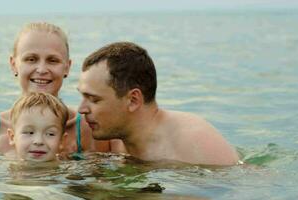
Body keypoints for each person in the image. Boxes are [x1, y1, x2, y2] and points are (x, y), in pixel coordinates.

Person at [0, 22, 125, 156]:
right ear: (14, 64)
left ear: (67, 67)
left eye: (52, 60)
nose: (41, 69)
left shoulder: (87, 128)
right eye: (31, 59)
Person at [77, 41, 240, 165]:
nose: (82, 109)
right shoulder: (115, 140)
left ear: (133, 100)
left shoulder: (193, 143)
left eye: (94, 99)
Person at [7, 92, 68, 162]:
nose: (38, 141)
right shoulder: (6, 167)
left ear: (62, 141)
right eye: (29, 132)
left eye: (50, 134)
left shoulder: (68, 169)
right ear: (12, 137)